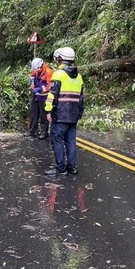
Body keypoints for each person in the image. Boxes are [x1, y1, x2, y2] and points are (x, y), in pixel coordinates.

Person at [44, 47, 84, 176]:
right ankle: (72, 167)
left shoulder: (58, 74)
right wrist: (80, 113)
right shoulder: (79, 76)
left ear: (60, 59)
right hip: (73, 115)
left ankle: (60, 168)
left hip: (60, 114)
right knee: (71, 141)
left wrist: (48, 110)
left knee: (57, 140)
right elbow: (81, 97)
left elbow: (52, 94)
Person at [27, 57, 53, 139]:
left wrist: (41, 89)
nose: (36, 71)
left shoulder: (48, 72)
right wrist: (32, 86)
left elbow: (51, 86)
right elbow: (32, 79)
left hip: (44, 96)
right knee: (33, 114)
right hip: (35, 95)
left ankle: (44, 133)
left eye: (37, 70)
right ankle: (32, 132)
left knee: (43, 115)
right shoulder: (34, 70)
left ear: (41, 66)